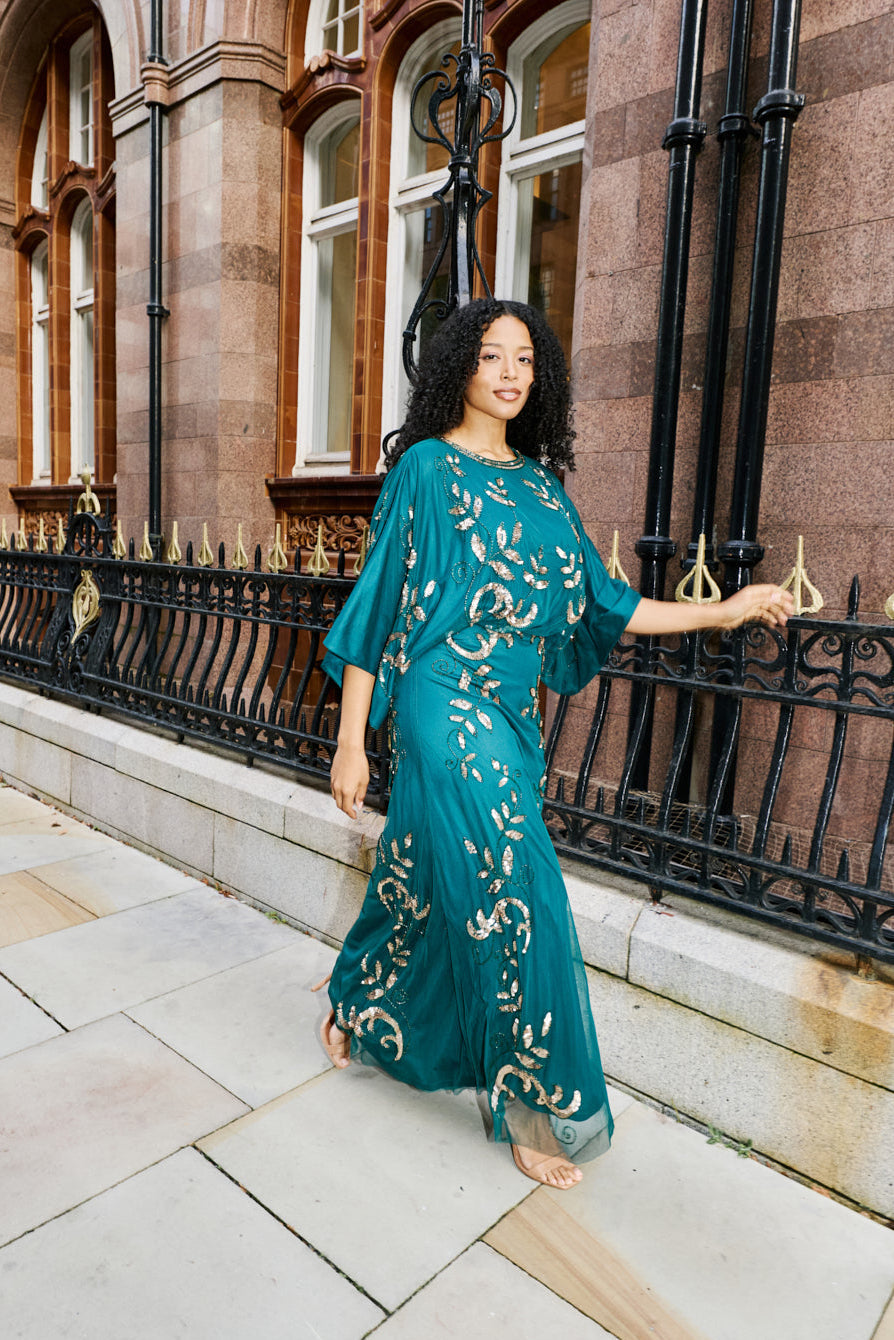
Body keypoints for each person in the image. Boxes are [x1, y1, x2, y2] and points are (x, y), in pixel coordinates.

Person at [317, 298, 793, 1191]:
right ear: (458, 367)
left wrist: (723, 609)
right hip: (437, 701)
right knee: (520, 876)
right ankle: (529, 1102)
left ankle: (358, 1001)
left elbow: (611, 607)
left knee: (421, 871)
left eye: (525, 360)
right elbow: (375, 606)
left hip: (508, 714)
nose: (508, 372)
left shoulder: (542, 491)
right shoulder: (423, 469)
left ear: (541, 379)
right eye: (491, 355)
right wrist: (352, 741)